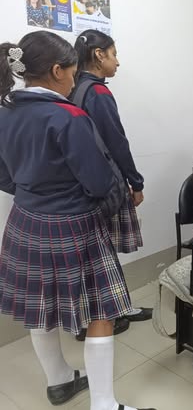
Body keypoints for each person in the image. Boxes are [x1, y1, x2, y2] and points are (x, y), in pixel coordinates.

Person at [0, 31, 155, 410]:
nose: (74, 80)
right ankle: (104, 404)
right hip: (72, 225)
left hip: (25, 221)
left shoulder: (4, 113)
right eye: (71, 72)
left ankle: (59, 381)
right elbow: (99, 182)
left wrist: (33, 192)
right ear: (57, 71)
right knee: (101, 311)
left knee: (39, 308)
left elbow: (3, 176)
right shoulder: (69, 117)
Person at [72, 30, 152, 341]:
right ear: (99, 55)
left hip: (82, 186)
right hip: (104, 186)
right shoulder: (98, 93)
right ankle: (100, 318)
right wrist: (136, 182)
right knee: (100, 256)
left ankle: (119, 307)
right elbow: (117, 143)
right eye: (114, 54)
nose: (117, 62)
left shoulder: (74, 88)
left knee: (96, 254)